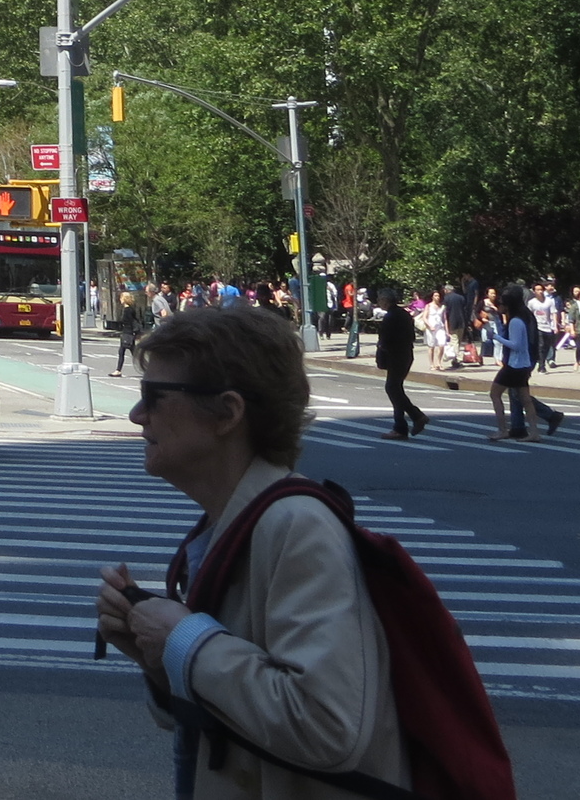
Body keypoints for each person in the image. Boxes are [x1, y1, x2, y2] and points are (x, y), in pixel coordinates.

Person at [94, 304, 408, 797]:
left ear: (228, 412)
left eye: (154, 397)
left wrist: (184, 638)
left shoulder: (295, 525)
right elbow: (232, 714)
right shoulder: (237, 519)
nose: (137, 415)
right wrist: (159, 659)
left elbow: (330, 728)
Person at [488, 285, 564, 442]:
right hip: (522, 364)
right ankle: (528, 430)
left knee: (496, 394)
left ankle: (504, 429)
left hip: (514, 365)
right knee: (523, 398)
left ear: (509, 305)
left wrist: (496, 337)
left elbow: (516, 345)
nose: (500, 306)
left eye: (502, 304)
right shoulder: (524, 316)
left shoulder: (516, 321)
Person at [373, 286, 429, 440]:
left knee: (393, 389)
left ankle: (412, 419)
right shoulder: (403, 315)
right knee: (395, 389)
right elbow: (411, 336)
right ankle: (404, 424)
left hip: (396, 356)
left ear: (385, 300)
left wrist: (381, 353)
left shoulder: (391, 317)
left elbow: (385, 340)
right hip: (405, 355)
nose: (379, 302)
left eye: (380, 299)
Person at [112, 288, 146, 375]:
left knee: (133, 352)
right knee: (125, 352)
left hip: (128, 333)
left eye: (121, 298)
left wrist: (134, 333)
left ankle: (147, 368)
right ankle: (118, 370)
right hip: (126, 332)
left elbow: (131, 322)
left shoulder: (128, 310)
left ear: (125, 299)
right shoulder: (127, 309)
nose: (120, 300)